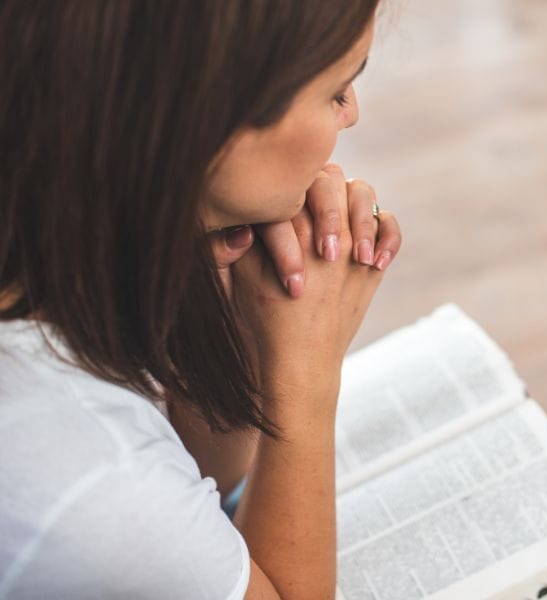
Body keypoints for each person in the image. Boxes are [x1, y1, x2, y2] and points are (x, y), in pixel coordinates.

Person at [0, 1, 401, 598]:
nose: (352, 113)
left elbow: (200, 478)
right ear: (210, 122)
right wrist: (307, 372)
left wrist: (244, 319)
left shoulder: (61, 250)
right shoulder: (84, 474)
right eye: (338, 88)